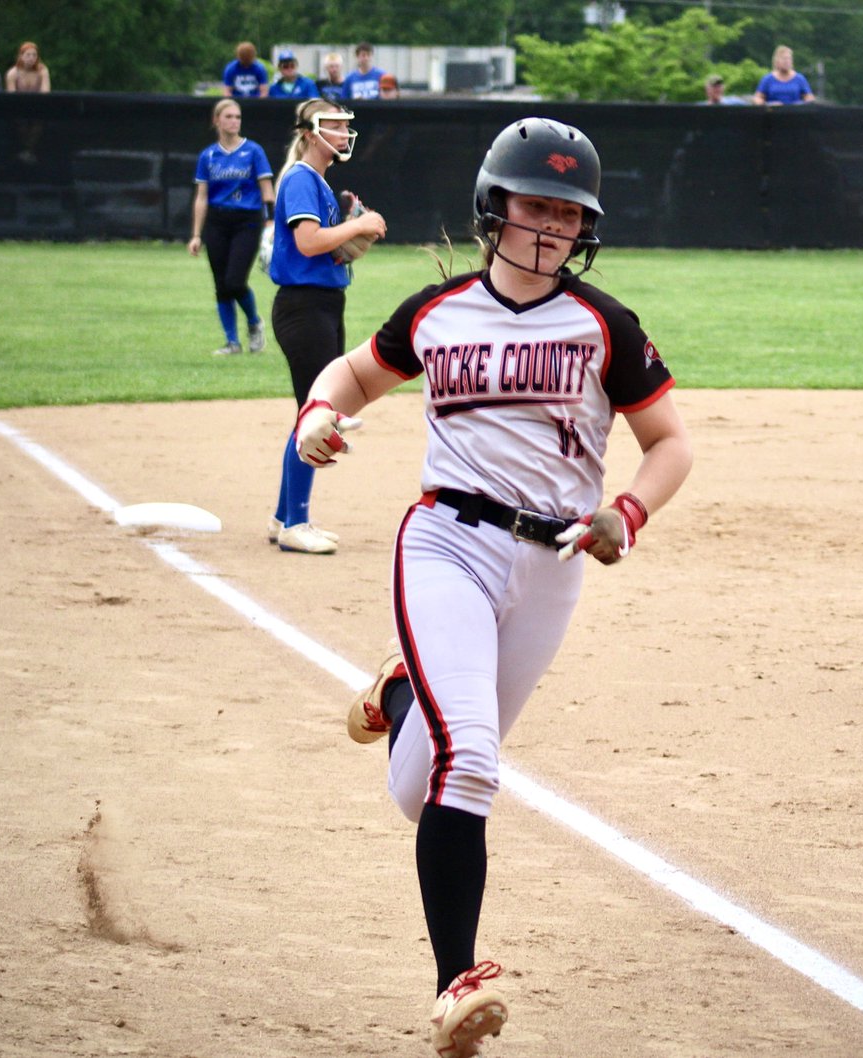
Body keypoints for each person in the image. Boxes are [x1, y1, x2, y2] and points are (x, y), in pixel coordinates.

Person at [297, 117, 692, 1055]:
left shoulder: (605, 325)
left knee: (419, 789)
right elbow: (350, 376)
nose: (552, 225)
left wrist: (626, 514)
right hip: (447, 545)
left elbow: (670, 444)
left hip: (551, 568)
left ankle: (399, 691)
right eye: (536, 205)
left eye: (569, 211)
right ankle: (454, 986)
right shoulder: (437, 314)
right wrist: (317, 415)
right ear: (495, 209)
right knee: (469, 761)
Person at [266, 98, 386, 554]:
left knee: (310, 411)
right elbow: (308, 241)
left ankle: (284, 517)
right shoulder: (300, 178)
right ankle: (297, 524)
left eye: (344, 125)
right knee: (314, 415)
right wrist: (364, 223)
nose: (342, 132)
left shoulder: (315, 181)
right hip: (303, 307)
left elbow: (324, 249)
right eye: (334, 125)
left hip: (320, 304)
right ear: (311, 133)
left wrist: (352, 238)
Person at [188, 99, 274, 357]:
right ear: (217, 121)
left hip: (246, 221)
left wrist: (269, 222)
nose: (234, 121)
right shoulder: (208, 156)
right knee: (221, 284)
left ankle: (254, 322)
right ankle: (232, 343)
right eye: (228, 116)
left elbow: (267, 190)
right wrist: (195, 234)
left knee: (235, 281)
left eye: (237, 117)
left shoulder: (253, 151)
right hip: (217, 222)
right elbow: (201, 196)